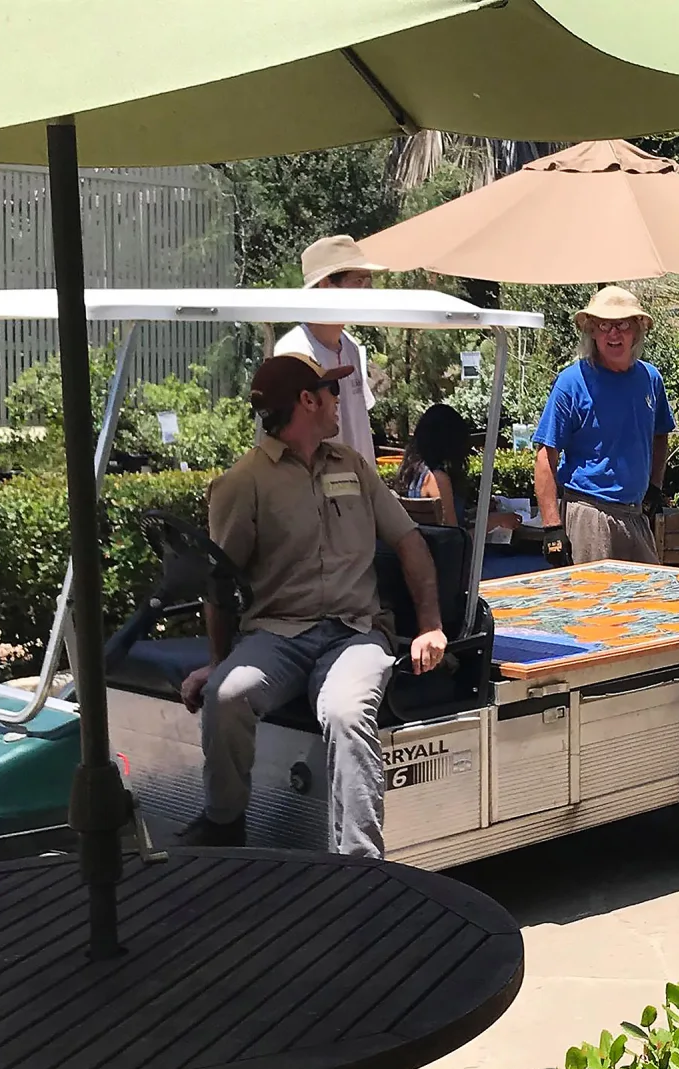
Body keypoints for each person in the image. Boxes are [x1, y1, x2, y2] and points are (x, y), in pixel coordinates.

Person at [178, 352, 449, 857]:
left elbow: (410, 543)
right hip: (277, 636)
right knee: (225, 695)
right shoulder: (243, 483)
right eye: (332, 392)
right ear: (307, 400)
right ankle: (224, 825)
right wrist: (217, 664)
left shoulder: (354, 466)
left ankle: (360, 868)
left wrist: (431, 625)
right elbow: (220, 581)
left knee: (347, 712)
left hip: (356, 630)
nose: (338, 402)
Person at [532, 286, 675, 567]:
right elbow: (545, 455)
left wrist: (655, 488)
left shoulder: (650, 379)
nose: (613, 333)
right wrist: (552, 528)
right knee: (593, 605)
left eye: (622, 324)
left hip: (635, 516)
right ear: (592, 332)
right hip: (590, 515)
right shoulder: (572, 382)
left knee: (647, 602)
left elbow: (661, 434)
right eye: (604, 325)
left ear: (637, 330)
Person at [268, 235, 386, 466]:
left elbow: (359, 425)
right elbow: (289, 441)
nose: (367, 291)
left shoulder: (351, 346)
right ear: (325, 285)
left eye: (368, 282)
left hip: (358, 491)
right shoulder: (294, 352)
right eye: (358, 281)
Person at [393, 403, 522, 533]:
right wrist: (494, 521)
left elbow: (447, 519)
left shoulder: (411, 472)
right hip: (439, 551)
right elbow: (454, 540)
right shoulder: (438, 479)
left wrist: (477, 512)